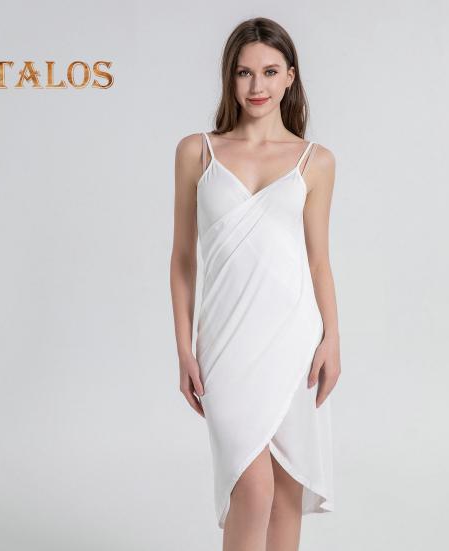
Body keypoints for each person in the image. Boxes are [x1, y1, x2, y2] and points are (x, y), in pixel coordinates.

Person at [170, 16, 341, 551]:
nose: (256, 86)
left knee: (287, 491)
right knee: (253, 490)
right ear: (230, 78)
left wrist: (332, 339)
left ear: (290, 76)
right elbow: (182, 260)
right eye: (244, 73)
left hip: (294, 336)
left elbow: (318, 262)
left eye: (269, 71)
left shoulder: (315, 161)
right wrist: (184, 349)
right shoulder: (197, 151)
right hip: (225, 340)